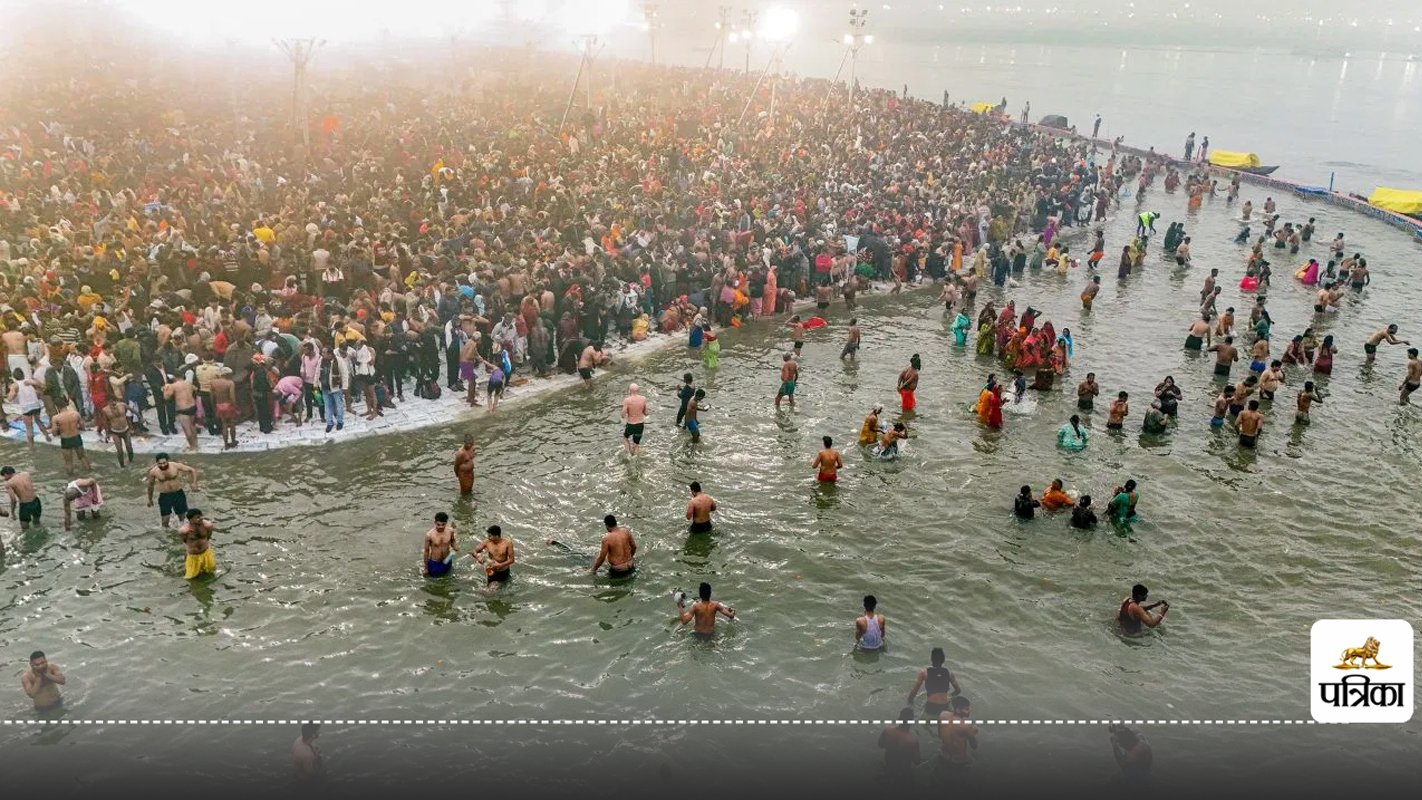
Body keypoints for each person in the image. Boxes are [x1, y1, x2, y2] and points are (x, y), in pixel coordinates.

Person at [907, 647, 962, 723]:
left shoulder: (924, 673)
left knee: (927, 726)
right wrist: (948, 696)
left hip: (931, 706)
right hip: (945, 706)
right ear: (943, 659)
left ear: (932, 659)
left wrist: (910, 704)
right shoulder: (949, 672)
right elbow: (958, 690)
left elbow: (914, 692)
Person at [146, 453, 199, 528]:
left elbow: (192, 470)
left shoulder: (175, 465)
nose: (163, 465)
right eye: (160, 464)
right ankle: (167, 537)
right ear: (156, 463)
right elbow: (150, 486)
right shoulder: (154, 471)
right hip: (165, 496)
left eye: (164, 463)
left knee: (182, 519)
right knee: (164, 522)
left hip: (178, 494)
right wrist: (150, 499)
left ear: (168, 461)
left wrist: (194, 483)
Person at [878, 708, 922, 787]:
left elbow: (880, 745)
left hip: (888, 765)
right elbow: (917, 762)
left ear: (899, 719)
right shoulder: (912, 741)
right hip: (903, 772)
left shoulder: (887, 731)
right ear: (911, 723)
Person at [935, 695, 978, 775]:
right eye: (967, 709)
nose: (969, 711)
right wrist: (973, 733)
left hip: (942, 756)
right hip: (958, 762)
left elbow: (940, 736)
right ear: (958, 709)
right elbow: (974, 746)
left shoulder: (942, 715)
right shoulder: (967, 725)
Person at [51, 398, 91, 475]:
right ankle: (89, 472)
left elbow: (54, 432)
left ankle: (71, 479)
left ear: (57, 406)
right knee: (82, 457)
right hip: (76, 437)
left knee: (68, 461)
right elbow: (82, 426)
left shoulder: (56, 418)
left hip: (66, 439)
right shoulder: (75, 413)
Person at [591, 514, 637, 579]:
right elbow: (634, 547)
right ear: (616, 523)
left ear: (606, 525)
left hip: (618, 570)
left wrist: (593, 569)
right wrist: (630, 557)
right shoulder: (626, 531)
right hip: (631, 565)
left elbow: (602, 558)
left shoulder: (607, 539)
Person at [471, 525, 515, 590]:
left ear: (496, 536)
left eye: (490, 536)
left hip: (503, 570)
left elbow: (512, 560)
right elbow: (474, 551)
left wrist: (500, 565)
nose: (488, 537)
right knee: (490, 588)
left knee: (504, 587)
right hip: (490, 569)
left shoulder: (508, 543)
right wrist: (478, 558)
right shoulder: (487, 542)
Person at [1109, 723, 1153, 788]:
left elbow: (1122, 763)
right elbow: (1132, 731)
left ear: (1127, 744)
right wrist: (1120, 727)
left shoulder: (1140, 748)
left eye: (1120, 744)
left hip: (1139, 778)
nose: (1120, 745)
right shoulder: (1136, 736)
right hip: (1133, 769)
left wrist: (1114, 744)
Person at [178, 508, 217, 580]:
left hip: (206, 553)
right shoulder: (184, 531)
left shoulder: (208, 525)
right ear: (190, 520)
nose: (201, 518)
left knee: (211, 571)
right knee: (191, 578)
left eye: (201, 516)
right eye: (198, 517)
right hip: (193, 556)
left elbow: (208, 537)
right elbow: (185, 541)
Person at [422, 512, 457, 578]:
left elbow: (453, 540)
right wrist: (426, 568)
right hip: (434, 562)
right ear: (435, 523)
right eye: (438, 524)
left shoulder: (450, 531)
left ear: (446, 523)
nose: (440, 527)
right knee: (434, 581)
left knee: (448, 577)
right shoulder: (429, 535)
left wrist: (454, 546)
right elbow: (426, 551)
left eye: (443, 524)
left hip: (448, 559)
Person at [620, 383, 648, 455]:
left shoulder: (627, 400)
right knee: (636, 444)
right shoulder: (643, 399)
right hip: (640, 425)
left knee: (625, 438)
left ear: (630, 391)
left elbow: (623, 415)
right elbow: (646, 413)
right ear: (638, 390)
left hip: (631, 425)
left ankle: (628, 454)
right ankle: (635, 458)